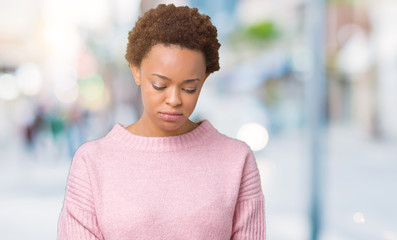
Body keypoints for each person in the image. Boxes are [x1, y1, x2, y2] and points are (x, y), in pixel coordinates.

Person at [58, 4, 265, 240]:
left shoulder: (236, 160)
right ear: (136, 70)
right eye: (160, 85)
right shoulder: (92, 162)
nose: (174, 100)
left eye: (190, 88)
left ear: (204, 78)